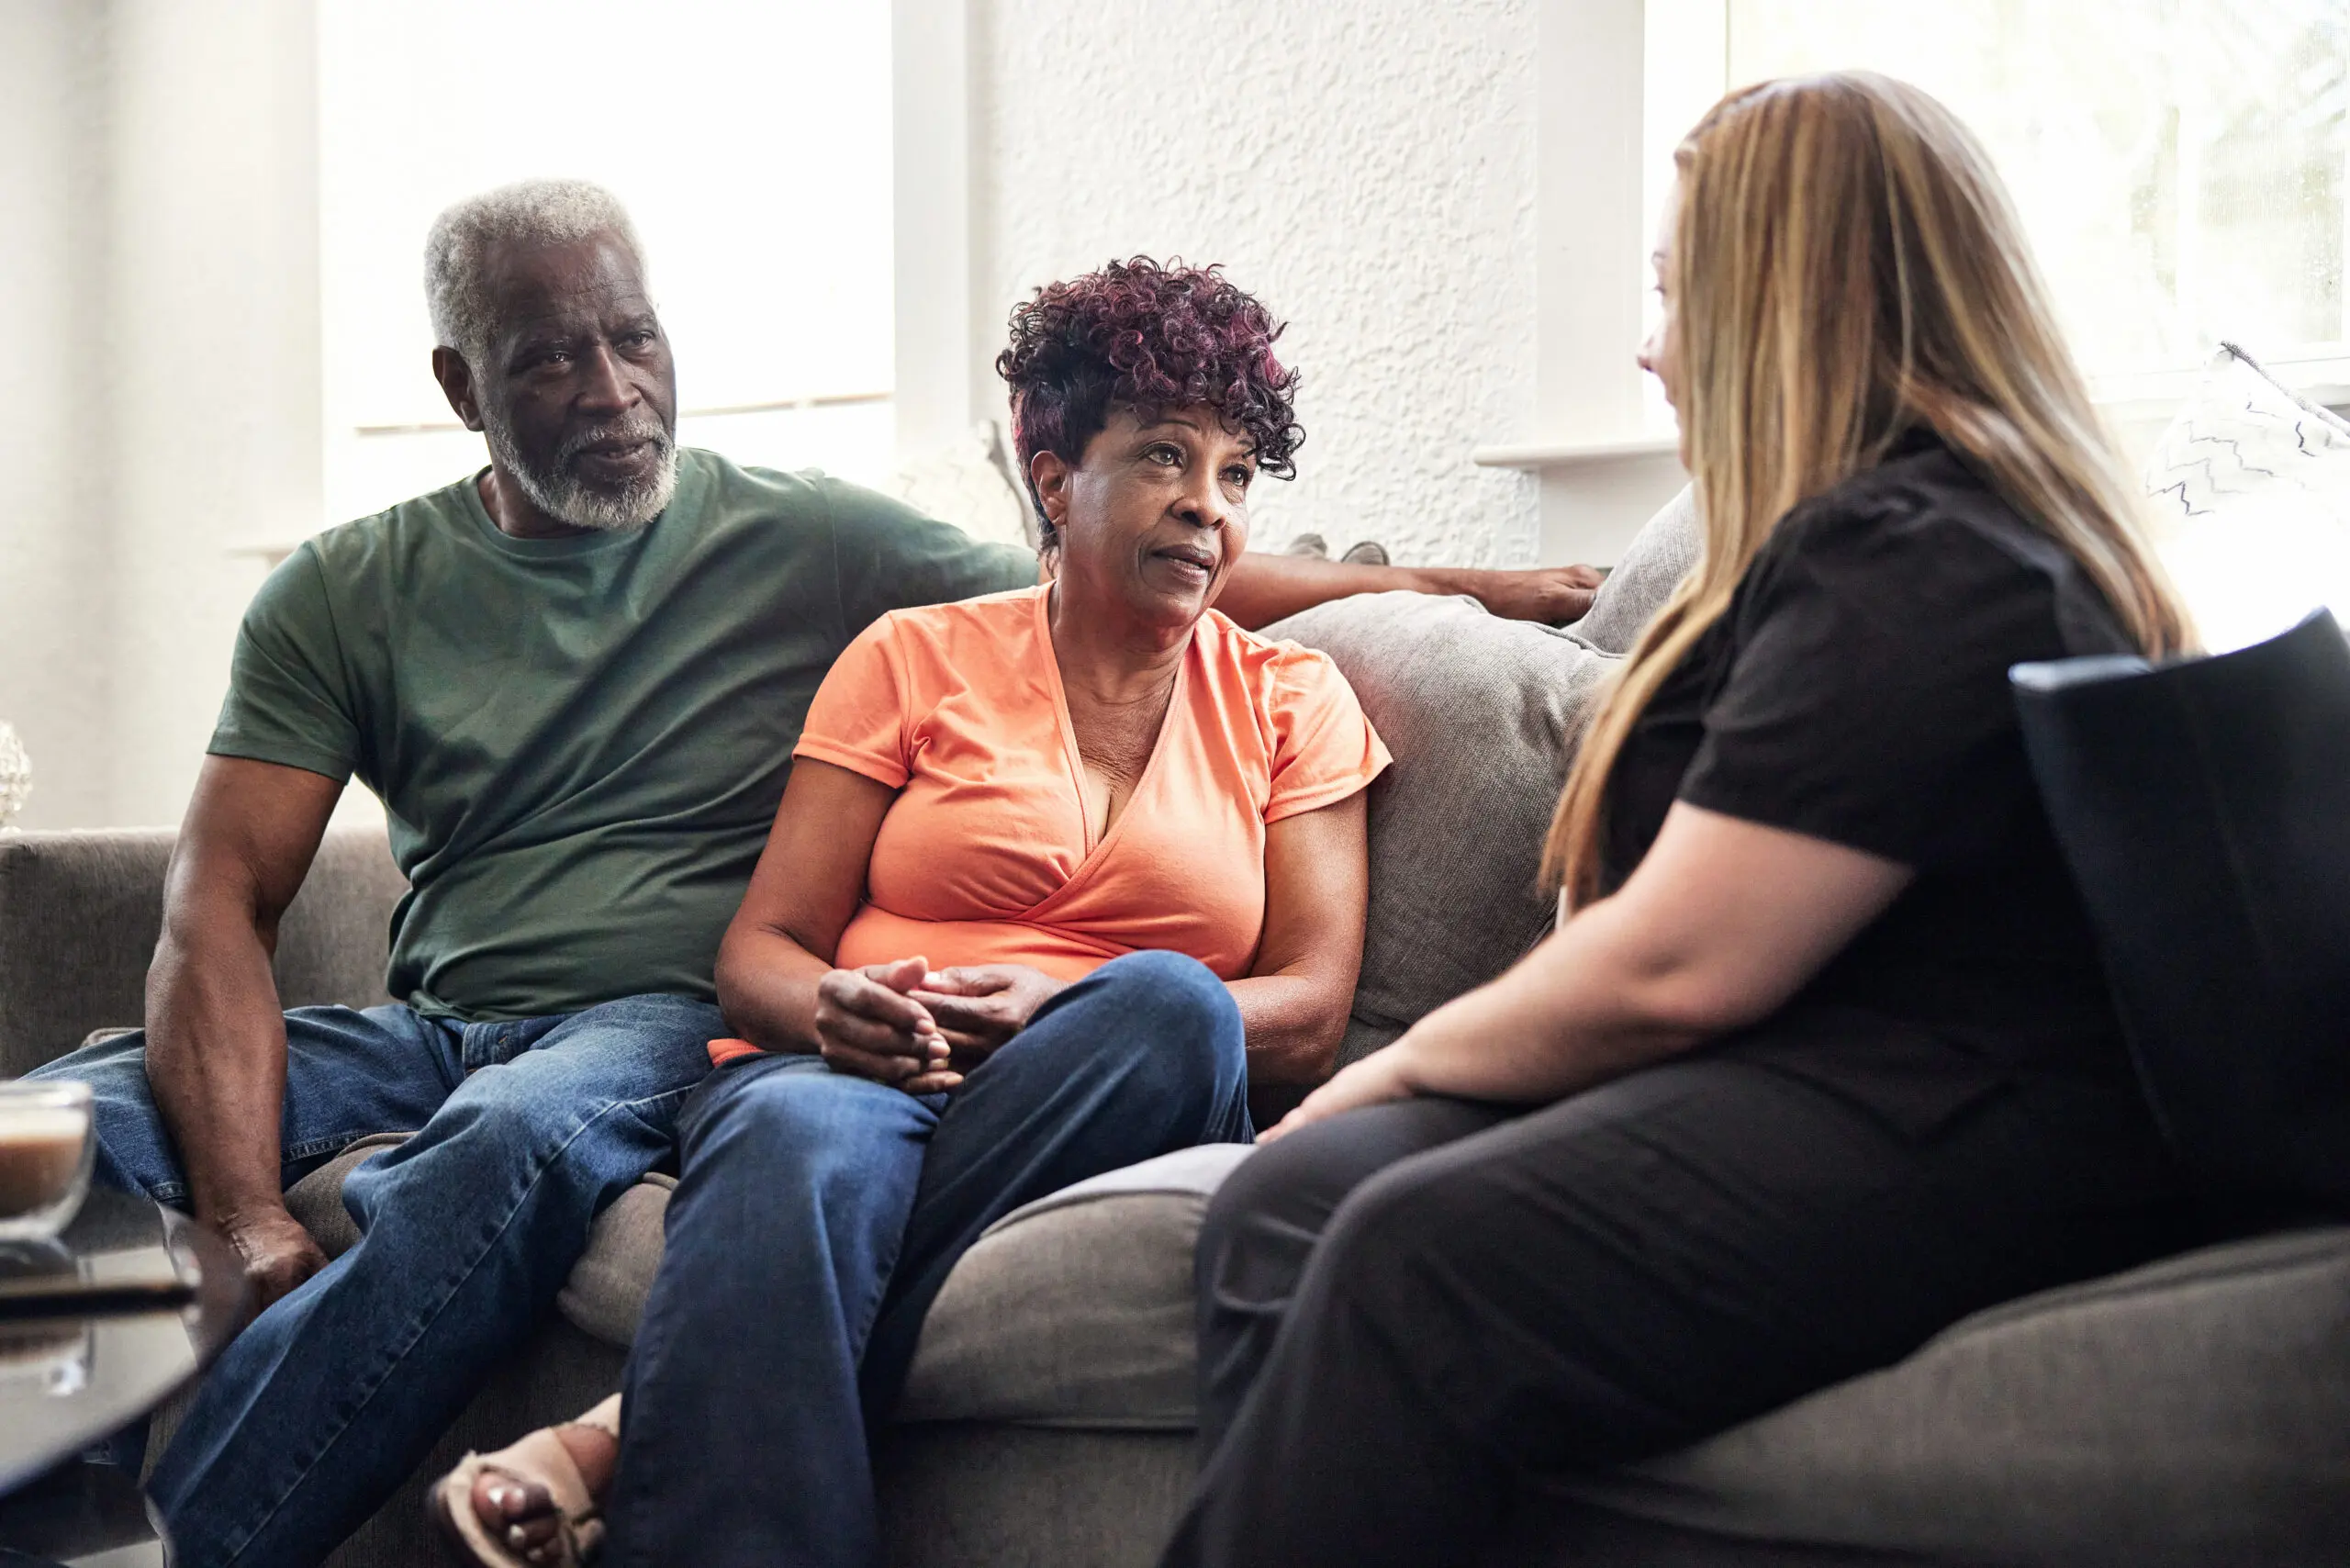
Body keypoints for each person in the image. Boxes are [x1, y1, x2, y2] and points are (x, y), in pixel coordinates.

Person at [26, 181, 1601, 1568]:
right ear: (460, 386)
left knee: (1142, 1021)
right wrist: (243, 1215)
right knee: (45, 1146)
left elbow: (1158, 553)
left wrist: (1456, 584)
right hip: (548, 1026)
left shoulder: (824, 544)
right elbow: (218, 899)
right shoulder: (351, 592)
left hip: (645, 1031)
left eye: (634, 338)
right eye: (553, 356)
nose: (615, 389)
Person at [1158, 73, 2199, 1568]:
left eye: (1673, 287)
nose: (1648, 348)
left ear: (1792, 290)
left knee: (1403, 1256)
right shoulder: (1838, 537)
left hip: (1964, 1110)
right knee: (1281, 1208)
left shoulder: (1930, 553)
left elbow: (1677, 965)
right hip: (1824, 1068)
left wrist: (1381, 1079)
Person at [432, 254, 1389, 1568]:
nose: (1209, 509)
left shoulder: (1293, 699)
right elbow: (757, 953)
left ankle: (626, 1426)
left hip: (1106, 1085)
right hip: (865, 1075)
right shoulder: (914, 656)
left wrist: (1065, 1001)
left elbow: (1313, 1010)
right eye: (1167, 457)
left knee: (1169, 1008)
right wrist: (833, 1012)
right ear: (1054, 478)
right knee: (792, 1141)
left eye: (1236, 474)